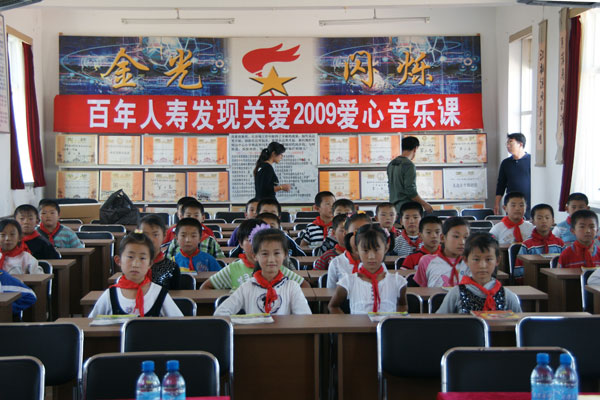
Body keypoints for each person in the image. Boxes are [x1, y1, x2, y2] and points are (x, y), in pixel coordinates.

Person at [214, 228, 311, 316]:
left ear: (285, 255)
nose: (271, 259)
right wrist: (244, 322)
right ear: (255, 256)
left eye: (277, 253)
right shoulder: (247, 287)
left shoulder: (292, 287)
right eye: (265, 254)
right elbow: (220, 313)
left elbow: (304, 317)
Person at [88, 232, 183, 317]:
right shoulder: (110, 295)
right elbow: (91, 324)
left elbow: (179, 323)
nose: (135, 264)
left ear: (150, 264)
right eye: (130, 257)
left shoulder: (158, 293)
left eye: (142, 258)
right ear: (118, 261)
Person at [200, 219, 308, 290]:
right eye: (250, 240)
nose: (256, 245)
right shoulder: (233, 269)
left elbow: (304, 285)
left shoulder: (276, 267)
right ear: (240, 244)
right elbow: (206, 287)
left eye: (260, 240)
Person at [328, 224, 408, 314]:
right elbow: (333, 306)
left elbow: (403, 305)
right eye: (365, 250)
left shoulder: (397, 282)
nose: (371, 256)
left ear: (386, 248)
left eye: (376, 250)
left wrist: (396, 320)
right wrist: (347, 322)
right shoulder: (348, 281)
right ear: (357, 250)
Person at [436, 233, 522, 314]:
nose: (482, 265)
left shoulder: (507, 296)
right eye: (476, 259)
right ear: (465, 260)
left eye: (488, 259)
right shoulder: (456, 294)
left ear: (497, 260)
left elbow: (519, 323)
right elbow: (440, 322)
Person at [414, 217, 470, 287]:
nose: (462, 242)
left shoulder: (471, 263)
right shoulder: (426, 261)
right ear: (442, 238)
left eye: (466, 237)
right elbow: (423, 291)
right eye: (456, 236)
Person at [515, 204, 564, 279]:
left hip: (557, 281)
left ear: (553, 221)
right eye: (539, 218)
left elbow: (566, 265)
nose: (544, 221)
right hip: (532, 281)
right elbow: (518, 268)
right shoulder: (527, 244)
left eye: (547, 218)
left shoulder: (559, 243)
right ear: (533, 221)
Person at [387, 136, 433, 215]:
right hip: (407, 209)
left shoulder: (391, 164)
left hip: (394, 209)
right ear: (415, 149)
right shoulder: (409, 164)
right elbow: (410, 191)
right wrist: (425, 204)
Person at [326, 213, 372, 288]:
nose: (361, 238)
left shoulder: (376, 262)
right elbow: (331, 292)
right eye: (356, 232)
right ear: (345, 233)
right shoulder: (336, 263)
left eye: (366, 233)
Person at [138, 214, 181, 290]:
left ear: (164, 236)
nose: (150, 239)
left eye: (155, 235)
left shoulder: (172, 267)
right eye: (145, 235)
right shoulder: (133, 264)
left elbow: (176, 295)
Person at [494, 133, 531, 218]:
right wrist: (497, 203)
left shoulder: (530, 160)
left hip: (528, 202)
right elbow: (501, 184)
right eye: (507, 143)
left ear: (520, 144)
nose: (508, 146)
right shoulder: (506, 163)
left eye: (511, 143)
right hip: (511, 203)